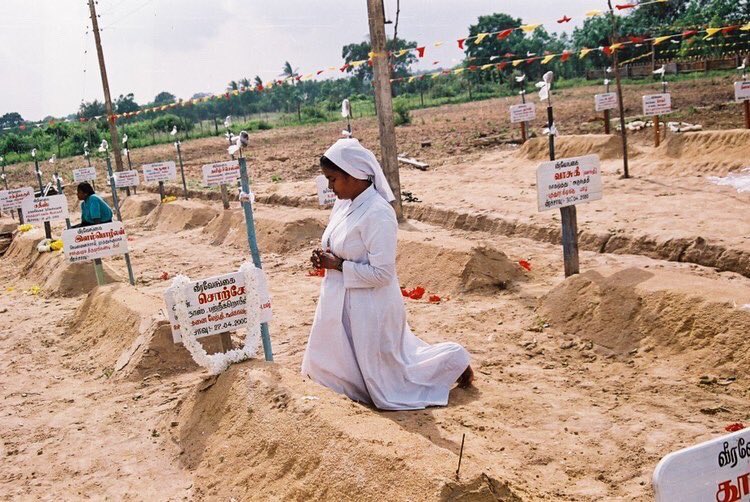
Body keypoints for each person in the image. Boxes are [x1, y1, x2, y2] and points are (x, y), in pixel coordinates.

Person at [301, 138, 473, 411]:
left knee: (389, 378)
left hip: (370, 306)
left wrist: (338, 266)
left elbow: (382, 274)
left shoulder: (379, 213)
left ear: (354, 174)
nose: (330, 187)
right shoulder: (345, 205)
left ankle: (453, 361)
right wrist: (324, 258)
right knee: (328, 364)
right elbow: (338, 246)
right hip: (338, 298)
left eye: (333, 179)